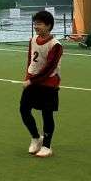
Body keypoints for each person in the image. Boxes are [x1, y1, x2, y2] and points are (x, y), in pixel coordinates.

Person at [21, 10, 62, 158]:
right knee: (24, 110)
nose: (36, 26)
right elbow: (30, 61)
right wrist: (28, 76)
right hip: (32, 81)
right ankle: (36, 137)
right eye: (35, 23)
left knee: (47, 114)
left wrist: (31, 80)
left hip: (48, 84)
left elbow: (49, 68)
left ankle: (47, 146)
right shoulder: (32, 40)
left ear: (48, 25)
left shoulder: (55, 45)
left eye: (39, 24)